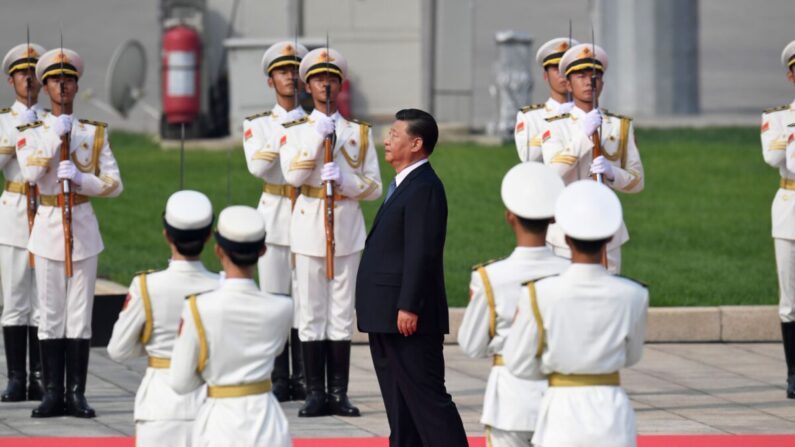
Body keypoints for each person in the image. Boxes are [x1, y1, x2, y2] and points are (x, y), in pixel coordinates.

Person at [16, 48, 123, 418]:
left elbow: (114, 184)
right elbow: (30, 175)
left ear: (77, 85)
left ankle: (76, 393)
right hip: (47, 226)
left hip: (82, 224)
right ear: (45, 87)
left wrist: (82, 180)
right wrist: (51, 138)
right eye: (55, 80)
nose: (63, 85)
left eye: (69, 79)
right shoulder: (30, 131)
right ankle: (51, 393)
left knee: (79, 315)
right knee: (50, 313)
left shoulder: (92, 133)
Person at [503, 180, 648, 447]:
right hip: (611, 413)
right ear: (608, 238)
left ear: (566, 239)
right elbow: (632, 355)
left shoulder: (540, 293)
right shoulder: (634, 294)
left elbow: (518, 362)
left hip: (561, 413)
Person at [280, 47, 382, 417]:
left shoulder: (359, 132)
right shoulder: (295, 130)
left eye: (332, 79)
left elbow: (375, 187)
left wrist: (346, 180)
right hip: (309, 226)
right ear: (307, 86)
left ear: (340, 85)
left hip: (347, 225)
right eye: (319, 79)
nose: (325, 84)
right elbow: (292, 175)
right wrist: (313, 139)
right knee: (310, 312)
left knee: (340, 313)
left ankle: (339, 393)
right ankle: (314, 393)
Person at [356, 109, 468, 447]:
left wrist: (408, 305)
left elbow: (423, 251)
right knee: (400, 408)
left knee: (428, 402)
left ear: (416, 143)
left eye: (395, 134)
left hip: (408, 318)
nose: (387, 140)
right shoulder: (405, 185)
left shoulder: (425, 188)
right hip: (386, 315)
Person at [458, 162, 569, 447]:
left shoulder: (489, 277)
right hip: (561, 394)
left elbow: (472, 345)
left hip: (510, 399)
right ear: (553, 219)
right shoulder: (570, 273)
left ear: (510, 217)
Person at [169, 205, 293, 447]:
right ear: (263, 251)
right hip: (268, 424)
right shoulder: (282, 307)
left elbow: (181, 382)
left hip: (220, 426)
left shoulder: (199, 307)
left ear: (218, 250)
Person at [107, 190, 219, 446]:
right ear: (209, 237)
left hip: (159, 405)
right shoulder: (221, 286)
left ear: (167, 235)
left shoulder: (146, 286)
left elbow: (118, 349)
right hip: (210, 402)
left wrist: (152, 345)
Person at [539, 43, 644, 274]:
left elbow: (638, 181)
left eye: (595, 76)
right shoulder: (554, 126)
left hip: (607, 227)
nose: (589, 82)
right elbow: (552, 173)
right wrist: (583, 136)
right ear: (568, 83)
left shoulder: (621, 125)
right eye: (581, 75)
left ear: (603, 84)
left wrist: (612, 172)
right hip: (566, 230)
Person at [243, 40, 308, 402]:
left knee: (305, 300)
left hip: (307, 215)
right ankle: (278, 375)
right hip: (276, 212)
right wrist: (288, 133)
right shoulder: (258, 124)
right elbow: (258, 166)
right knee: (274, 297)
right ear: (270, 81)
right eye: (282, 71)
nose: (290, 77)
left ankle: (303, 376)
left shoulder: (315, 123)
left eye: (295, 71)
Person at [0, 42, 47, 403]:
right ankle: (16, 376)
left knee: (42, 298)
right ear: (11, 80)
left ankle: (39, 375)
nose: (28, 79)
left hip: (45, 212)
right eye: (21, 74)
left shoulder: (53, 119)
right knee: (15, 296)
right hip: (15, 210)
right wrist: (14, 134)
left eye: (33, 73)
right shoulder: (3, 121)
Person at [768, 40, 795, 399]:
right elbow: (775, 160)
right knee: (791, 300)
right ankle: (794, 372)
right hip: (790, 206)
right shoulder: (776, 118)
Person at [514, 37, 579, 162]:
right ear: (545, 76)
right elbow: (527, 157)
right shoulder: (530, 116)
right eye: (557, 69)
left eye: (567, 69)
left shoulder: (590, 114)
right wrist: (556, 119)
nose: (563, 75)